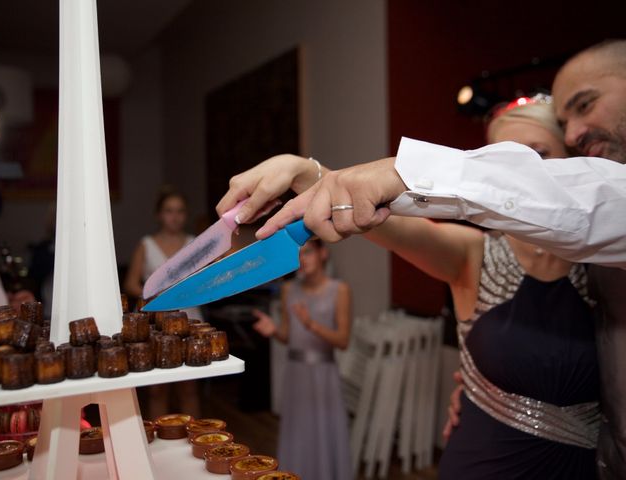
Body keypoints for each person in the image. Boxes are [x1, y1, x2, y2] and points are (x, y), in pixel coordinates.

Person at [220, 40, 626, 478]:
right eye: (503, 162)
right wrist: (308, 173)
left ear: (570, 165)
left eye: (537, 158)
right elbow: (382, 219)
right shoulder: (473, 255)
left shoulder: (607, 261)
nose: (515, 179)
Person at [252, 238, 352, 480]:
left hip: (323, 374)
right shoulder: (289, 290)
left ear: (323, 253)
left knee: (324, 434)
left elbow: (343, 340)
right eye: (297, 255)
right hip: (296, 373)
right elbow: (288, 336)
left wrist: (312, 325)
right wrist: (273, 330)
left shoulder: (339, 290)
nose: (302, 260)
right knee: (298, 434)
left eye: (307, 252)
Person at [124, 186, 201, 418]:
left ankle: (195, 439)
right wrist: (156, 296)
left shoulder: (195, 243)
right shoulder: (146, 244)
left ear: (186, 215)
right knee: (157, 389)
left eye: (180, 211)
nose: (174, 216)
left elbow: (207, 281)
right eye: (169, 211)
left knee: (189, 387)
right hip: (157, 319)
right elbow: (130, 283)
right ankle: (161, 441)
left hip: (190, 316)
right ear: (159, 214)